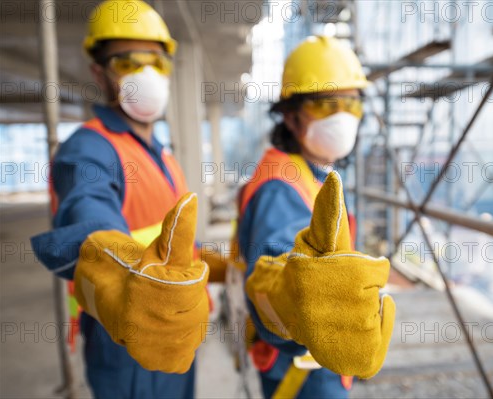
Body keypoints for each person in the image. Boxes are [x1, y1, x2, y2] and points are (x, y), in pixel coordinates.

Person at [31, 1, 216, 397]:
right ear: (100, 72)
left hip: (179, 326)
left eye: (157, 61)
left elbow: (169, 239)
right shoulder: (90, 149)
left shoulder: (163, 155)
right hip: (127, 338)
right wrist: (121, 265)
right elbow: (91, 218)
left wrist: (217, 264)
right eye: (129, 62)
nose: (146, 73)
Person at [238, 36, 396, 399]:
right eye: (326, 104)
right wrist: (296, 299)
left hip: (316, 362)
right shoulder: (281, 186)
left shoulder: (311, 174)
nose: (341, 116)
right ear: (292, 116)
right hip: (303, 373)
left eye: (351, 104)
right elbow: (272, 269)